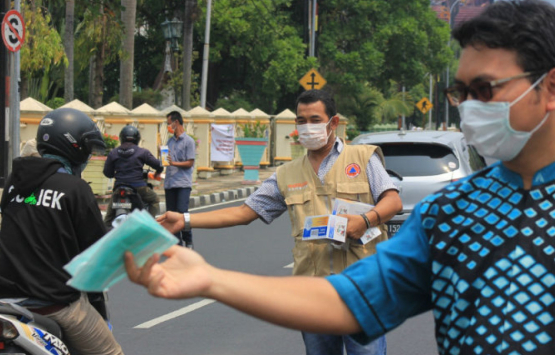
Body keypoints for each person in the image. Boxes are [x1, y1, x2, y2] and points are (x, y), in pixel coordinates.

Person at [126, 0, 555, 354]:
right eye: (459, 92)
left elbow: (388, 204)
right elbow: (350, 301)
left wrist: (364, 221)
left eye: (484, 90)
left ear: (551, 88)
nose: (468, 110)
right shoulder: (450, 215)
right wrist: (210, 279)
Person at [154, 89, 402, 355]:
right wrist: (185, 219)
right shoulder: (286, 174)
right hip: (312, 291)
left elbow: (392, 201)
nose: (307, 127)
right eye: (301, 120)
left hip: (361, 287)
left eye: (315, 120)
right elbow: (244, 212)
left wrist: (366, 220)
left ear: (333, 122)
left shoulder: (363, 158)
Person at [0, 108, 124, 355]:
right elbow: (97, 256)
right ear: (74, 146)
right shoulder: (75, 189)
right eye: (87, 149)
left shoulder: (15, 182)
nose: (89, 156)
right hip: (51, 304)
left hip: (0, 301)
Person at [103, 125, 163, 228]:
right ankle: (147, 225)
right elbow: (159, 165)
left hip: (119, 187)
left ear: (121, 137)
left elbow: (107, 173)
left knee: (108, 219)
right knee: (155, 200)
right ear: (137, 138)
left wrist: (117, 174)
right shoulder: (142, 152)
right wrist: (157, 173)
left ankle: (105, 234)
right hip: (138, 187)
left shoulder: (113, 152)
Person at [164, 111, 196, 248]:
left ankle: (188, 239)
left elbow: (189, 163)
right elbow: (166, 161)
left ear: (176, 123)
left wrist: (174, 163)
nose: (168, 126)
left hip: (183, 183)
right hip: (170, 183)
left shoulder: (189, 141)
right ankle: (177, 244)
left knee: (182, 212)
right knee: (171, 215)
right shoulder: (169, 142)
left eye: (168, 123)